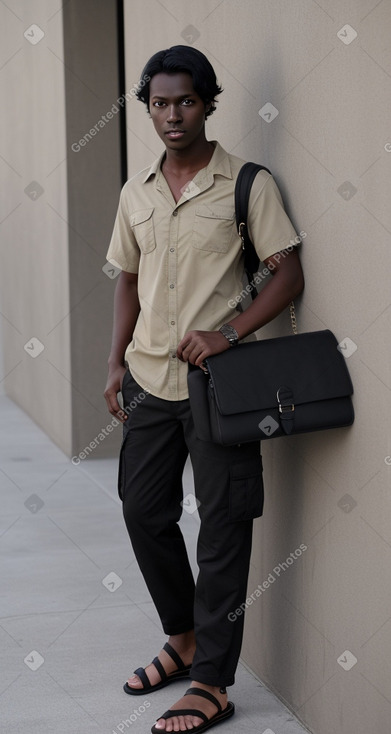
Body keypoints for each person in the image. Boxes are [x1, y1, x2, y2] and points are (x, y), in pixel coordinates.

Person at [104, 45, 304, 734]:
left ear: (207, 102)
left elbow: (286, 272)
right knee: (141, 510)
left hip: (221, 389)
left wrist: (230, 333)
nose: (171, 115)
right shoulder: (137, 192)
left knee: (221, 529)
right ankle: (184, 640)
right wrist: (113, 366)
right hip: (149, 383)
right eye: (158, 103)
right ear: (147, 107)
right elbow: (127, 280)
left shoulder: (246, 183)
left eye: (184, 101)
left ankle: (212, 683)